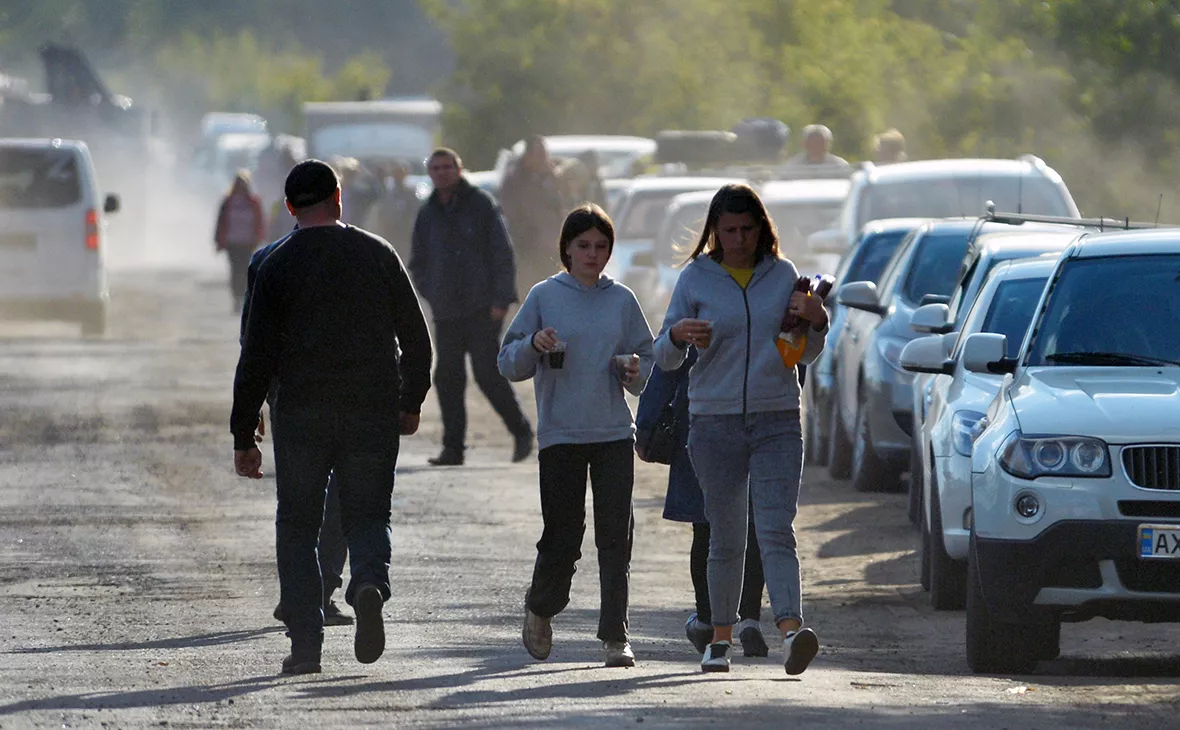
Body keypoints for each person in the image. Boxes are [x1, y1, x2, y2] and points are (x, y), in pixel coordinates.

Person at [231, 159, 432, 675]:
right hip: (371, 411)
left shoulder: (276, 265)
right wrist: (410, 401)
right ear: (339, 199)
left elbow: (254, 354)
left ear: (290, 208)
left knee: (298, 526)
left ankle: (305, 647)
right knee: (368, 514)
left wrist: (244, 429)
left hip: (301, 415)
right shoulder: (378, 254)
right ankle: (367, 583)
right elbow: (416, 338)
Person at [653, 184, 829, 675]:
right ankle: (719, 640)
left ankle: (793, 631)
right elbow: (662, 357)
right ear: (714, 230)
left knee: (776, 529)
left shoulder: (785, 276)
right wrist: (678, 334)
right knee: (725, 536)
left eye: (747, 229)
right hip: (713, 422)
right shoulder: (695, 278)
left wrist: (817, 322)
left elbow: (798, 354)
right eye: (728, 230)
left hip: (776, 419)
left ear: (761, 228)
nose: (738, 239)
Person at [498, 204, 654, 668]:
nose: (592, 253)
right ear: (566, 248)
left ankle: (614, 637)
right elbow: (508, 363)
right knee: (564, 535)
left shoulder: (622, 299)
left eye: (601, 246)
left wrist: (632, 369)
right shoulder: (545, 296)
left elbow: (647, 363)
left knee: (615, 537)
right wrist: (533, 345)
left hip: (611, 433)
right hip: (561, 434)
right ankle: (541, 607)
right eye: (583, 245)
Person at [238, 220, 352, 630]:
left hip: (290, 395)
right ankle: (313, 593)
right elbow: (253, 339)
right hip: (326, 396)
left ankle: (306, 595)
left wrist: (255, 404)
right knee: (330, 496)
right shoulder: (354, 255)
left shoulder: (267, 259)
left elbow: (250, 344)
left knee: (300, 504)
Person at [634, 347, 770, 658]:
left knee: (707, 525)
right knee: (750, 524)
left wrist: (645, 424)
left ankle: (708, 620)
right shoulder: (770, 300)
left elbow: (670, 358)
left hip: (703, 419)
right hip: (760, 417)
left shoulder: (702, 299)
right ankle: (749, 621)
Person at [410, 148, 534, 466]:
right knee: (448, 377)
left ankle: (521, 432)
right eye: (435, 168)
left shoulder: (481, 204)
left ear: (459, 168)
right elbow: (417, 263)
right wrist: (432, 293)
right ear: (430, 173)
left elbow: (502, 253)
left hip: (482, 308)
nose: (442, 172)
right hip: (446, 312)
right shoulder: (428, 212)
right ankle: (453, 448)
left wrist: (501, 299)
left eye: (448, 166)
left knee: (488, 374)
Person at [498, 135, 566, 293]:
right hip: (527, 250)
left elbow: (560, 204)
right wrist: (526, 234)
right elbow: (510, 211)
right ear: (528, 156)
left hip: (552, 248)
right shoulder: (514, 180)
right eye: (539, 154)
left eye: (544, 153)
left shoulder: (551, 176)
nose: (544, 158)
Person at [214, 170, 266, 311]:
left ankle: (243, 297)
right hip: (232, 242)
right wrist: (218, 241)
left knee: (245, 270)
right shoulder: (228, 201)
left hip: (248, 242)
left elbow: (260, 221)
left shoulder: (254, 202)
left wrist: (259, 237)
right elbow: (220, 222)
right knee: (234, 270)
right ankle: (236, 297)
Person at [368, 160, 418, 262]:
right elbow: (381, 212)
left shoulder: (410, 193)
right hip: (390, 233)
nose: (397, 176)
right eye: (395, 173)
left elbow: (414, 213)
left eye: (400, 173)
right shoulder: (387, 193)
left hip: (405, 234)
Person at [785, 124, 850, 169]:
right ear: (805, 144)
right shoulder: (792, 166)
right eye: (812, 142)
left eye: (820, 142)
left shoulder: (840, 165)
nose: (816, 146)